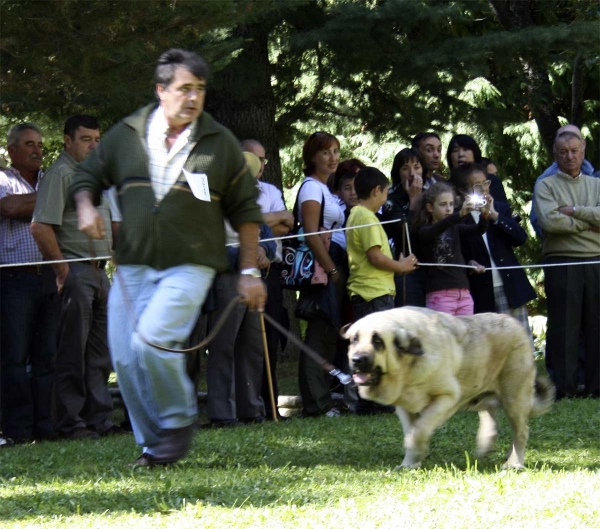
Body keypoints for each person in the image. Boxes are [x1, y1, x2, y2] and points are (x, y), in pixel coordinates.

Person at [69, 48, 265, 466]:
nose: (194, 98)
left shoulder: (219, 143)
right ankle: (154, 447)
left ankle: (177, 421)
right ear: (161, 91)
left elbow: (247, 211)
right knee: (125, 357)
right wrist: (86, 206)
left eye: (200, 90)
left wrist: (249, 270)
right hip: (133, 265)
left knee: (151, 342)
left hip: (190, 264)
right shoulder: (127, 135)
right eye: (184, 89)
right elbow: (88, 175)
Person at [31, 115, 119, 440]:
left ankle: (99, 420)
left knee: (99, 353)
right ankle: (70, 423)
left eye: (97, 139)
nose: (94, 145)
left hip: (100, 271)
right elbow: (40, 226)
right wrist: (62, 270)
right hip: (76, 270)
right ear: (68, 141)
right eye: (86, 139)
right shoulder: (60, 174)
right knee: (72, 352)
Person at [205, 152, 277, 427]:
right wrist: (245, 255)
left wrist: (262, 249)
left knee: (252, 345)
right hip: (228, 278)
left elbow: (268, 238)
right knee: (223, 346)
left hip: (253, 277)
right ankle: (222, 412)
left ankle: (251, 409)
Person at [0, 124, 59, 445]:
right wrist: (52, 199)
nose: (37, 150)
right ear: (12, 150)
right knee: (13, 356)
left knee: (46, 356)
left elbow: (25, 209)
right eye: (28, 144)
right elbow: (9, 208)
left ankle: (45, 427)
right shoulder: (2, 180)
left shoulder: (50, 178)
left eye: (39, 144)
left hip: (49, 275)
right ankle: (17, 430)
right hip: (13, 278)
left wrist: (33, 204)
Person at [533, 131, 600, 400]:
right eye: (563, 152)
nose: (570, 156)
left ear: (583, 150)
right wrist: (590, 223)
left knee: (596, 325)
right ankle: (564, 387)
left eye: (574, 150)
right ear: (555, 155)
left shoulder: (596, 184)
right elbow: (550, 223)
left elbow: (563, 218)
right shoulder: (546, 185)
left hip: (596, 260)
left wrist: (573, 211)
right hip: (562, 260)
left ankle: (596, 386)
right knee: (563, 327)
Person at [452, 163, 536, 337]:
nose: (483, 189)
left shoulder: (501, 209)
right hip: (482, 292)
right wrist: (469, 263)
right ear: (462, 192)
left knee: (520, 342)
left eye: (486, 183)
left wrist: (495, 215)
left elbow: (520, 238)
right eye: (477, 185)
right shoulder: (458, 219)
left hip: (511, 287)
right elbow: (459, 254)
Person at [241, 139, 294, 419]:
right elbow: (257, 219)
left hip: (270, 271)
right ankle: (246, 405)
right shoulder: (232, 190)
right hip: (242, 271)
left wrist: (272, 221)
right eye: (254, 158)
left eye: (264, 159)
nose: (260, 165)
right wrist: (276, 216)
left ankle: (271, 404)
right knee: (245, 341)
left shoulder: (270, 190)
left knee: (269, 338)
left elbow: (288, 226)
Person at [296, 131, 347, 418]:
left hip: (330, 265)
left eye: (336, 151)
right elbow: (312, 233)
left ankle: (323, 398)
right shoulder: (311, 188)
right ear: (312, 156)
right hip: (322, 269)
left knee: (327, 333)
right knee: (318, 333)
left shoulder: (326, 188)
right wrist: (332, 269)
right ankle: (315, 403)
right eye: (326, 152)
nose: (332, 158)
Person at [414, 182, 488, 316]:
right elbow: (440, 227)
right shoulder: (425, 231)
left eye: (451, 204)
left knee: (466, 335)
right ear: (430, 207)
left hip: (464, 292)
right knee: (443, 336)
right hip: (440, 294)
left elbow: (478, 230)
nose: (448, 209)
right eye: (443, 205)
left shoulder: (455, 227)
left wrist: (485, 215)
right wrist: (459, 214)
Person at [530, 124, 596, 238]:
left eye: (573, 138)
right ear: (556, 148)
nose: (568, 141)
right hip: (562, 251)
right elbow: (545, 223)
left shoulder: (595, 179)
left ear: (583, 144)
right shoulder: (545, 182)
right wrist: (589, 226)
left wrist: (572, 211)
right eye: (563, 138)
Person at [380, 148, 426, 307]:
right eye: (406, 168)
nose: (412, 173)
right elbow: (402, 233)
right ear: (398, 173)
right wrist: (413, 201)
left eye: (417, 167)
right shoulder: (390, 201)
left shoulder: (433, 195)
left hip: (434, 270)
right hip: (407, 270)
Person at [446, 134, 508, 203]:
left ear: (475, 153)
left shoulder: (492, 181)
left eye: (465, 149)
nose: (460, 154)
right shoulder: (446, 187)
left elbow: (504, 210)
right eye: (455, 150)